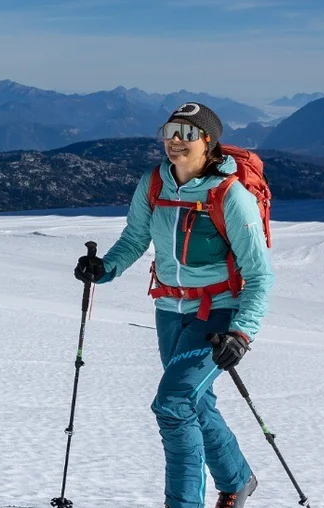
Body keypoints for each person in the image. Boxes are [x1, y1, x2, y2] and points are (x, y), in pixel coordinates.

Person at [74, 102, 271, 508]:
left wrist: (241, 332)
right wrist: (102, 269)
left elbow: (260, 274)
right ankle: (237, 480)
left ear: (209, 142)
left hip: (218, 313)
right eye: (170, 132)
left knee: (173, 402)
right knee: (194, 402)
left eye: (187, 134)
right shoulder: (153, 184)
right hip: (169, 310)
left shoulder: (230, 195)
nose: (175, 142)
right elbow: (133, 240)